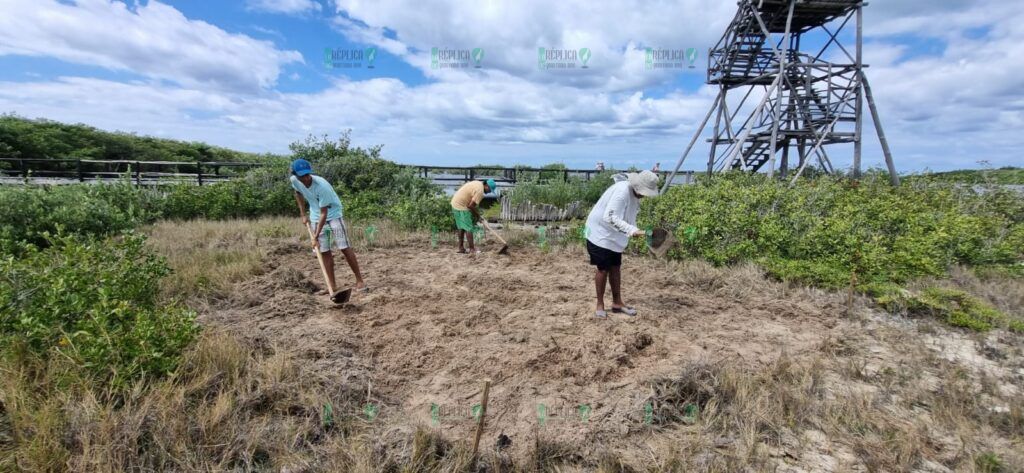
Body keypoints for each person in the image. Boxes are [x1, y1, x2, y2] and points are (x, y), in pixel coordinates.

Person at [584, 170, 660, 318]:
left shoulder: (635, 195)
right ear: (637, 186)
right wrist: (632, 231)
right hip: (599, 232)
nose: (644, 195)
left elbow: (629, 216)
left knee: (615, 267)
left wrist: (636, 231)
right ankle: (600, 304)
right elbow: (610, 217)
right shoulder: (622, 191)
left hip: (613, 234)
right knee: (603, 268)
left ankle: (617, 302)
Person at [289, 158, 367, 294]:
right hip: (315, 215)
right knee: (324, 251)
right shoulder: (294, 181)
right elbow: (298, 193)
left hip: (333, 214)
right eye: (303, 176)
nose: (306, 178)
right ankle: (332, 287)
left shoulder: (322, 186)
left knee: (344, 246)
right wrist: (302, 213)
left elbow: (324, 214)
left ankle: (359, 280)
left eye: (308, 174)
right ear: (296, 175)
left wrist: (315, 236)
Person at [450, 178, 496, 254]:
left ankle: (461, 248)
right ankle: (472, 249)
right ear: (486, 186)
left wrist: (477, 215)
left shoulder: (477, 183)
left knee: (461, 227)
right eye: (490, 190)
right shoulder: (480, 191)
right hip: (462, 205)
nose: (489, 192)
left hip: (455, 203)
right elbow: (471, 206)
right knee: (469, 228)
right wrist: (478, 216)